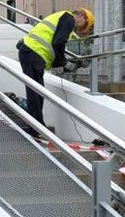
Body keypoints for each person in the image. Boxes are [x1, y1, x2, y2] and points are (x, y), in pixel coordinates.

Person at [16, 7, 95, 135]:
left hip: (31, 52)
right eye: (84, 25)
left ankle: (36, 126)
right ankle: (36, 127)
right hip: (34, 52)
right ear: (81, 15)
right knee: (35, 92)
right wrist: (63, 62)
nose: (79, 29)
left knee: (36, 91)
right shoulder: (69, 19)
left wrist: (61, 61)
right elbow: (58, 42)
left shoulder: (62, 18)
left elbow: (56, 42)